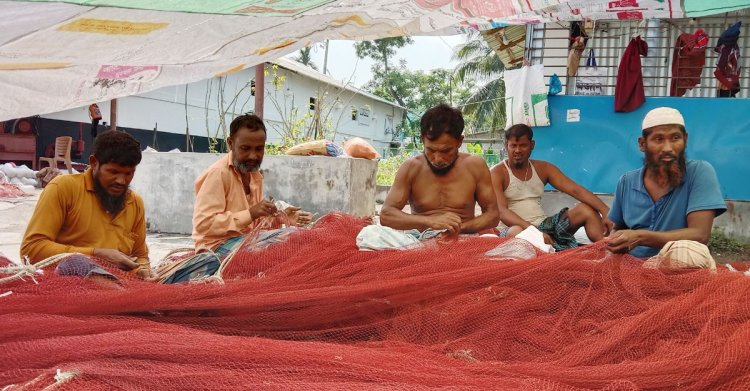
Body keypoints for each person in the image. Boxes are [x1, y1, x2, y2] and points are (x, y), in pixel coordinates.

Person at [20, 130, 152, 279]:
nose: (121, 181)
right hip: (67, 288)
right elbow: (31, 250)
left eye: (128, 173)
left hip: (118, 289)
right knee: (78, 262)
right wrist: (96, 254)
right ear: (94, 163)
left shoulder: (135, 202)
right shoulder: (63, 188)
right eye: (113, 172)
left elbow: (141, 256)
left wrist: (142, 271)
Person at [606, 107, 726, 262]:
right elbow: (618, 227)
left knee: (690, 255)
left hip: (680, 266)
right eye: (659, 139)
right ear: (642, 144)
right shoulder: (626, 182)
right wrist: (616, 242)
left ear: (685, 140)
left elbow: (699, 234)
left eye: (675, 138)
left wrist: (640, 237)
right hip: (632, 267)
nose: (668, 148)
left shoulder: (699, 172)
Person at [192, 114, 312, 255]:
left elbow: (253, 224)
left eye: (259, 149)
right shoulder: (218, 173)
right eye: (245, 148)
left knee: (298, 238)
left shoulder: (254, 174)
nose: (253, 156)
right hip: (216, 247)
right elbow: (204, 224)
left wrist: (281, 218)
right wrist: (251, 213)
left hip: (244, 240)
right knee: (281, 249)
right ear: (230, 143)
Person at [379, 104, 500, 235]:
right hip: (421, 240)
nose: (437, 159)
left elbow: (492, 215)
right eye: (430, 150)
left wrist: (458, 228)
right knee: (370, 235)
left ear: (460, 141)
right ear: (422, 140)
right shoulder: (411, 168)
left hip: (464, 239)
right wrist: (430, 222)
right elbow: (386, 216)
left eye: (446, 150)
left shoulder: (475, 166)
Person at [490, 124, 613, 251]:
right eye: (513, 146)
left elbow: (575, 189)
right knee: (518, 232)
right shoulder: (496, 173)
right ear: (506, 146)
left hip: (544, 225)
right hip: (513, 229)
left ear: (532, 145)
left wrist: (606, 211)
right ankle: (548, 255)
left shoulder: (544, 168)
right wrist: (533, 232)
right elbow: (502, 212)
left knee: (586, 210)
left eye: (523, 145)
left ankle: (608, 252)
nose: (517, 150)